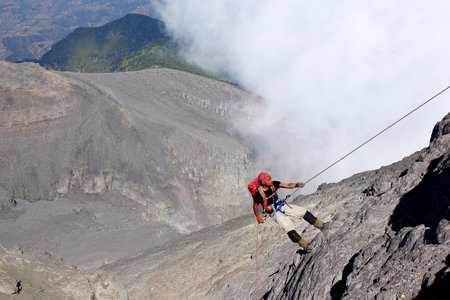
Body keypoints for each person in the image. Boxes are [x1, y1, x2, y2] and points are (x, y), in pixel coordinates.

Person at [248, 172, 329, 252]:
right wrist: (258, 218)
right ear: (263, 182)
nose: (271, 181)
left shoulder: (273, 184)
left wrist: (297, 185)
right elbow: (255, 206)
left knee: (302, 211)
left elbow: (287, 185)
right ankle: (306, 246)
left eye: (270, 178)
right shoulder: (258, 194)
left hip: (281, 204)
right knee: (288, 227)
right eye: (269, 180)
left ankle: (321, 225)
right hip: (273, 212)